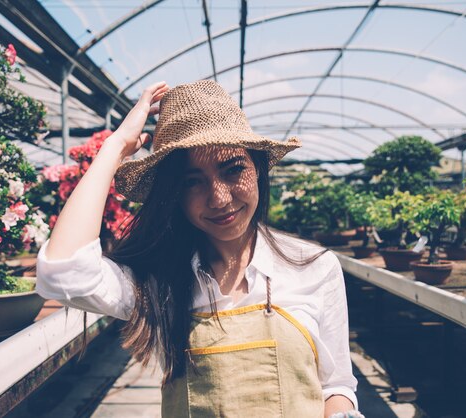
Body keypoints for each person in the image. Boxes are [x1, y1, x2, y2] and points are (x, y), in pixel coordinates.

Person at [36, 80, 363, 418]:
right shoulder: (158, 282)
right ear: (174, 194)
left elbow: (336, 385)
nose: (219, 198)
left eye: (233, 168)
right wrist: (115, 146)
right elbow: (62, 272)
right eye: (192, 181)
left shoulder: (313, 266)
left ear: (259, 169)